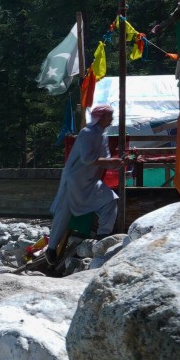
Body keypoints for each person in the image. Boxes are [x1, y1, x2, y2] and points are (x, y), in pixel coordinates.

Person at [47, 104, 122, 264]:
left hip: (90, 180)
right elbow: (87, 159)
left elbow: (105, 160)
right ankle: (51, 248)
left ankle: (102, 239)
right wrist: (111, 161)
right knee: (63, 214)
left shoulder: (102, 135)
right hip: (74, 180)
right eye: (109, 115)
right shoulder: (86, 133)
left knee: (110, 201)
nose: (112, 118)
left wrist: (119, 162)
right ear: (101, 117)